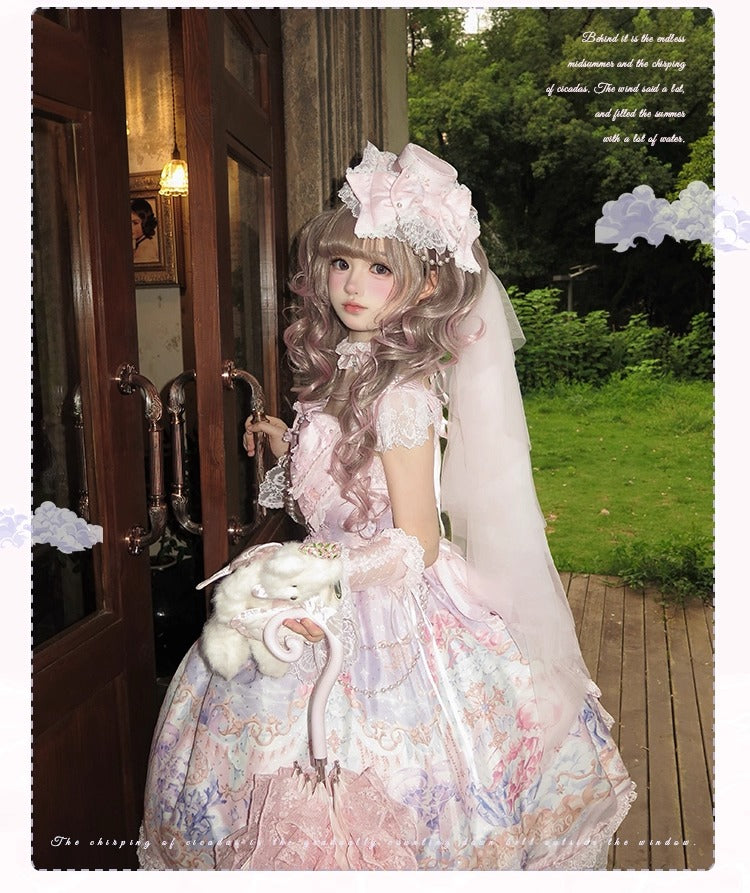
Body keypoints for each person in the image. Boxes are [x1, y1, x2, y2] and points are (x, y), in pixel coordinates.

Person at [139, 142, 635, 870]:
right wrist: (287, 442)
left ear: (425, 283)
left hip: (387, 612)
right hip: (333, 585)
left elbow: (416, 544)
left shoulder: (401, 394)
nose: (352, 284)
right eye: (341, 263)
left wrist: (320, 568)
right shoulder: (352, 367)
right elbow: (349, 480)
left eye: (379, 269)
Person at [131, 197, 158, 262]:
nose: (131, 227)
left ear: (145, 223)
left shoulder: (146, 248)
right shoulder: (141, 244)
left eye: (135, 223)